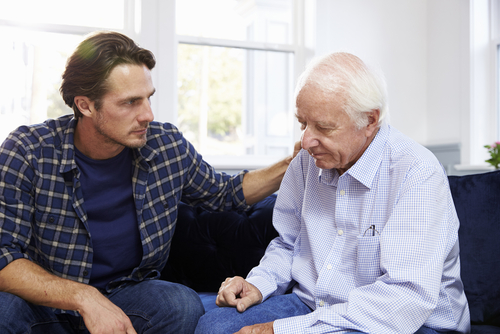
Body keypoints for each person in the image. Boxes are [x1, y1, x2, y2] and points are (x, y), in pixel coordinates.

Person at [0, 31, 299, 334]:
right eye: (130, 102)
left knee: (179, 303)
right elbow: (3, 255)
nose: (148, 115)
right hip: (46, 302)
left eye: (148, 98)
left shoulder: (165, 146)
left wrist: (294, 162)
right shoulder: (28, 150)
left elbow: (225, 193)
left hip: (126, 296)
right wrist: (83, 297)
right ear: (86, 105)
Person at [195, 52, 471, 334]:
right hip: (314, 304)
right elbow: (290, 244)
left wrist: (280, 330)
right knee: (215, 327)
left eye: (323, 127)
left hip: (403, 320)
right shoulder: (306, 161)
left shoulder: (416, 172)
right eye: (303, 123)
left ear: (369, 121)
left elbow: (403, 299)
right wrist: (259, 283)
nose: (306, 140)